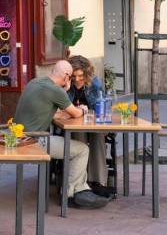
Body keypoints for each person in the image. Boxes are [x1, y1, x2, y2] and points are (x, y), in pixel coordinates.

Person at [14, 60, 110, 209]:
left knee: (78, 147)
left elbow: (53, 112)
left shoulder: (35, 82)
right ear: (66, 76)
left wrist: (63, 95)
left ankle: (80, 188)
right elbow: (76, 112)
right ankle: (72, 194)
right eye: (71, 76)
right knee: (82, 150)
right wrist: (84, 109)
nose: (73, 80)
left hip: (18, 137)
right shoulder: (56, 90)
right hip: (34, 141)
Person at [66, 55, 114, 198]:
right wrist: (66, 88)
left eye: (81, 76)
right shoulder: (66, 85)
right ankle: (80, 183)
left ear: (86, 74)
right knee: (78, 136)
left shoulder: (95, 84)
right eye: (74, 76)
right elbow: (62, 108)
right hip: (73, 125)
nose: (78, 79)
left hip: (91, 122)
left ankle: (98, 182)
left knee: (98, 135)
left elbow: (102, 105)